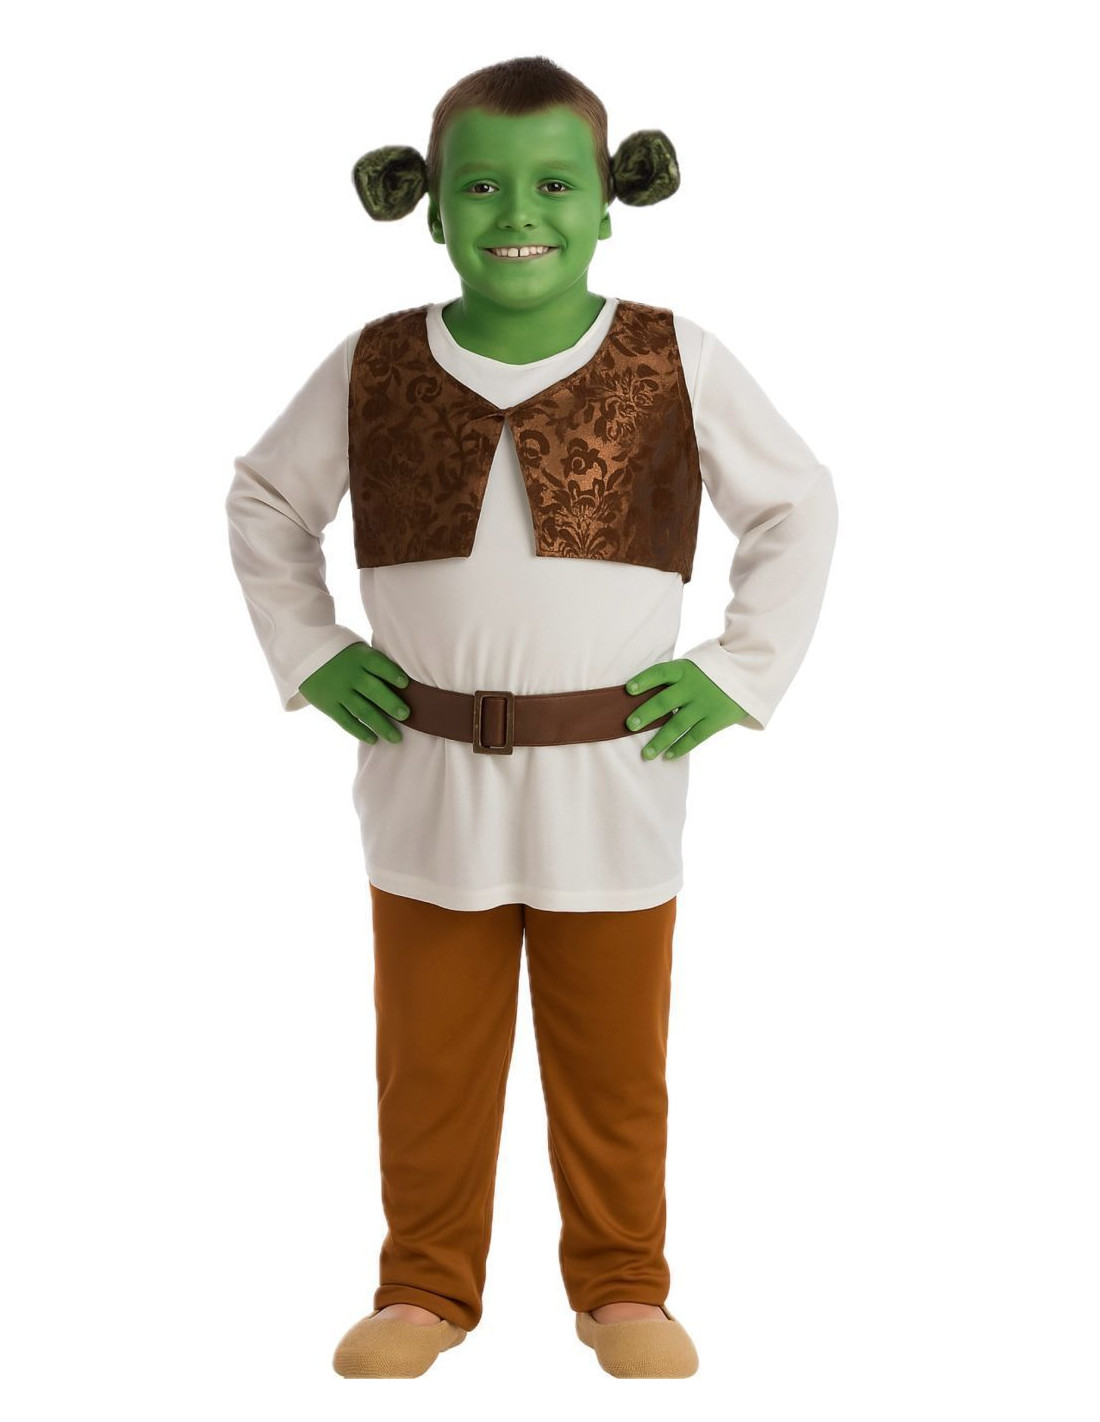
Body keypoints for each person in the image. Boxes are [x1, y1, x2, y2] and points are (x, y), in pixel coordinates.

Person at [225, 54, 838, 1380]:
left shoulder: (676, 356)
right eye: (483, 187)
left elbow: (797, 507)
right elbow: (267, 500)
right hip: (425, 780)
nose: (521, 213)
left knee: (614, 1055)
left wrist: (739, 672)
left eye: (556, 185)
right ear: (427, 202)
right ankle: (422, 1285)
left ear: (612, 200)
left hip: (612, 780)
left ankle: (623, 1284)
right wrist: (311, 651)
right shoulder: (374, 364)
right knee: (428, 1053)